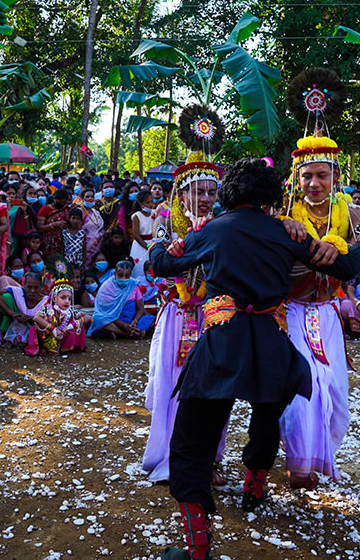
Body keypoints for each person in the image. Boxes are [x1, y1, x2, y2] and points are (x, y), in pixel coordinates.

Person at [151, 158, 360, 560]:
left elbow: (163, 264)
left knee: (192, 440)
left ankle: (198, 547)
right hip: (272, 344)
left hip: (222, 344)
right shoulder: (288, 232)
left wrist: (156, 241)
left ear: (229, 194)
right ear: (271, 196)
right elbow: (345, 266)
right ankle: (254, 485)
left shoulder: (212, 230)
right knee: (266, 419)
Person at [277, 113, 360, 490]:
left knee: (335, 392)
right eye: (307, 176)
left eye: (322, 175)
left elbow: (359, 255)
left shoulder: (346, 210)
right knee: (302, 388)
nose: (314, 183)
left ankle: (323, 455)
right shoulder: (286, 214)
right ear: (296, 177)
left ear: (335, 177)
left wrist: (341, 244)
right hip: (293, 312)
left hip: (328, 313)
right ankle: (299, 464)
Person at [144, 112, 225, 485]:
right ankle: (174, 453)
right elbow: (156, 266)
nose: (206, 198)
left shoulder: (223, 225)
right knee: (173, 386)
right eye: (198, 191)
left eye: (211, 191)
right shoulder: (165, 220)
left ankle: (209, 459)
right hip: (177, 317)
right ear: (183, 192)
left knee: (212, 390)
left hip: (213, 318)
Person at [89, 260, 151, 339]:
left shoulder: (134, 285)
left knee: (150, 319)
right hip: (113, 320)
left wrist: (134, 321)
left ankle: (121, 331)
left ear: (131, 275)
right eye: (120, 275)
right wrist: (124, 325)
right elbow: (105, 313)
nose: (123, 278)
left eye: (127, 276)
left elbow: (140, 308)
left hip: (130, 319)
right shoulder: (106, 287)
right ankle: (126, 334)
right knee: (97, 319)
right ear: (115, 274)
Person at [26, 279, 90, 356]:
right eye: (63, 297)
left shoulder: (70, 310)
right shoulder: (48, 308)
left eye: (69, 298)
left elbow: (88, 317)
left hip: (64, 335)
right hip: (49, 335)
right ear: (54, 299)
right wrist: (53, 329)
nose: (67, 301)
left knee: (79, 323)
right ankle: (44, 348)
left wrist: (72, 325)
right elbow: (36, 318)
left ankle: (66, 347)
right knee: (42, 321)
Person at [0, 272, 47, 347]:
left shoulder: (46, 301)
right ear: (24, 286)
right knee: (6, 297)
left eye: (36, 287)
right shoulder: (18, 291)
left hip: (36, 330)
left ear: (41, 287)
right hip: (16, 321)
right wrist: (11, 312)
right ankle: (6, 336)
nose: (32, 291)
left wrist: (32, 318)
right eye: (29, 287)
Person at [129, 190, 155, 284]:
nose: (151, 204)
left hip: (153, 242)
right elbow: (136, 235)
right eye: (147, 202)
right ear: (141, 203)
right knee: (140, 269)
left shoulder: (155, 213)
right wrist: (148, 247)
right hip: (141, 246)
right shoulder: (136, 216)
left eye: (152, 201)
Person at [37, 189, 71, 257]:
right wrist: (54, 225)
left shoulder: (66, 208)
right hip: (49, 244)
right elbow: (39, 228)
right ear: (54, 198)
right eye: (60, 202)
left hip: (64, 243)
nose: (62, 205)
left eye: (64, 203)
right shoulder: (45, 209)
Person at [79, 188, 104, 269]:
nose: (90, 198)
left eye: (92, 196)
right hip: (84, 247)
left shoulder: (95, 212)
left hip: (98, 245)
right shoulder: (79, 212)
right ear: (83, 198)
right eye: (87, 197)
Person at [62, 208, 87, 274]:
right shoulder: (64, 232)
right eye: (73, 218)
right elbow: (62, 248)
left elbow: (84, 249)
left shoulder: (82, 233)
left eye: (78, 219)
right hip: (67, 262)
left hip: (78, 263)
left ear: (81, 220)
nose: (75, 221)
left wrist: (83, 265)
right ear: (69, 219)